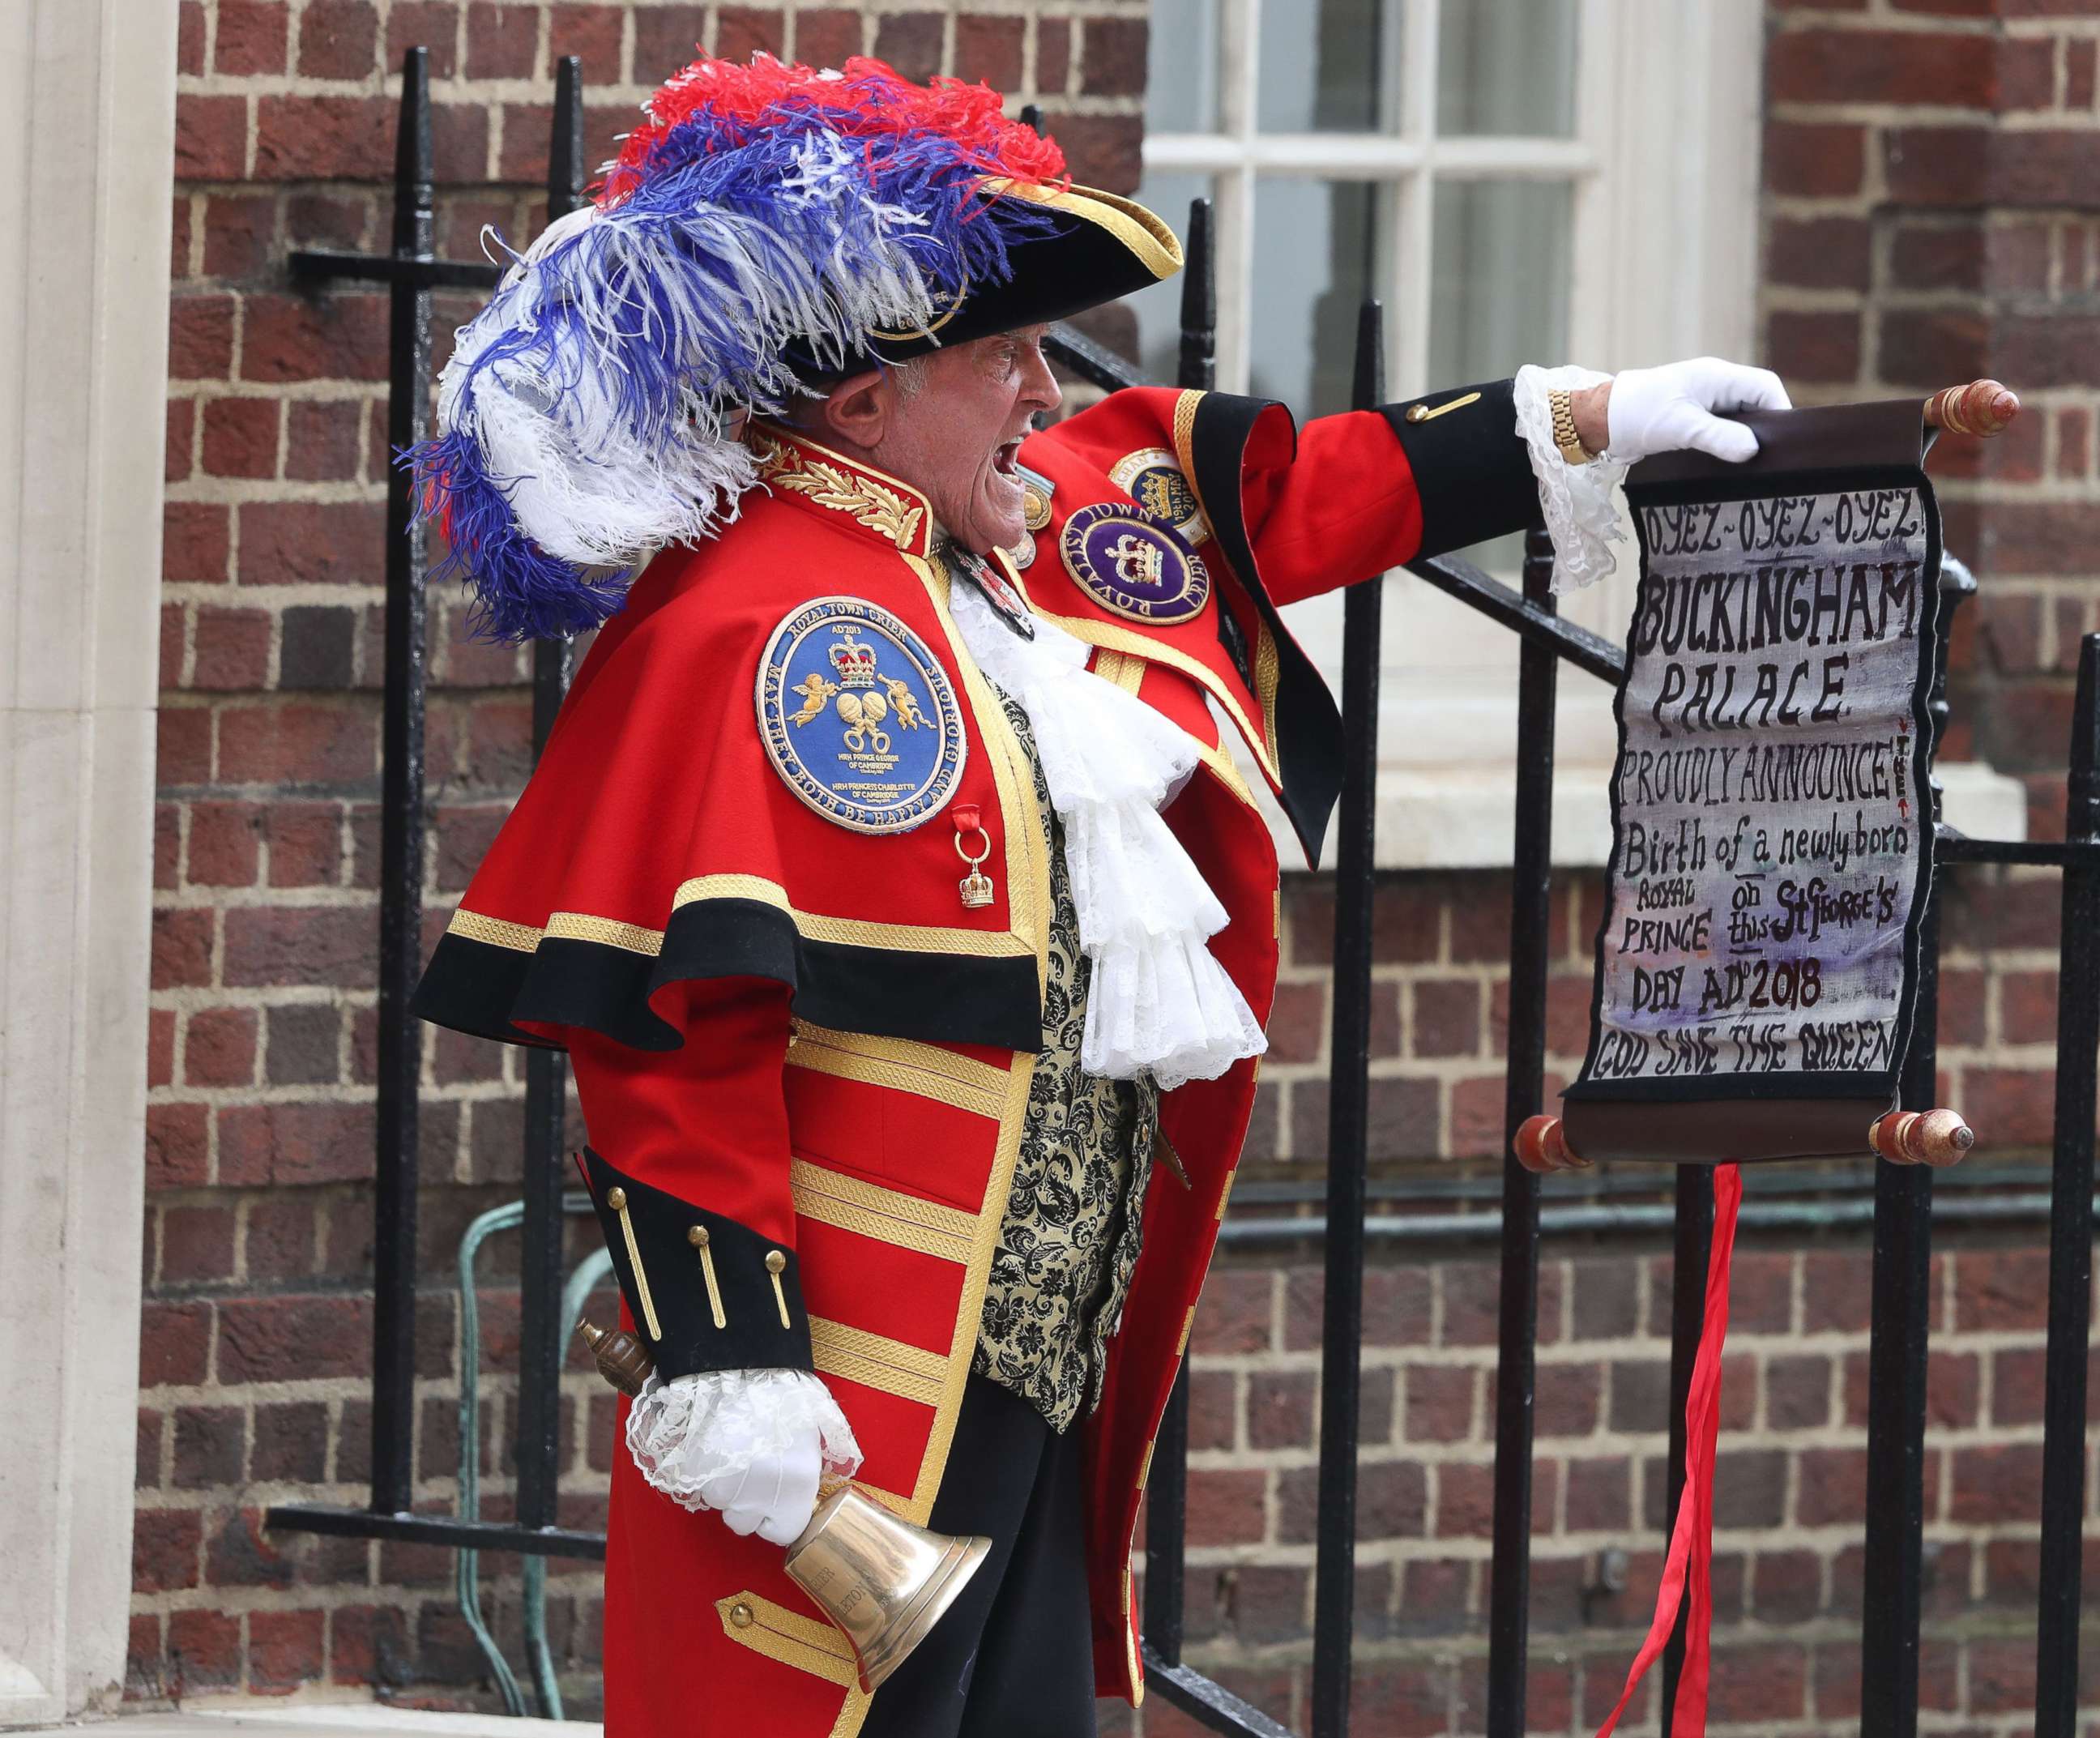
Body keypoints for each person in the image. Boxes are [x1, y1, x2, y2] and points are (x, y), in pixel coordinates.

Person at [408, 50, 1788, 1738]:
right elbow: (675, 1038)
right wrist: (727, 1354)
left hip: (1041, 1345)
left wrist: (1580, 422)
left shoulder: (995, 523)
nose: (1044, 393)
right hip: (851, 1378)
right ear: (863, 405)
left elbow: (1269, 494)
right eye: (1002, 356)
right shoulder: (753, 619)